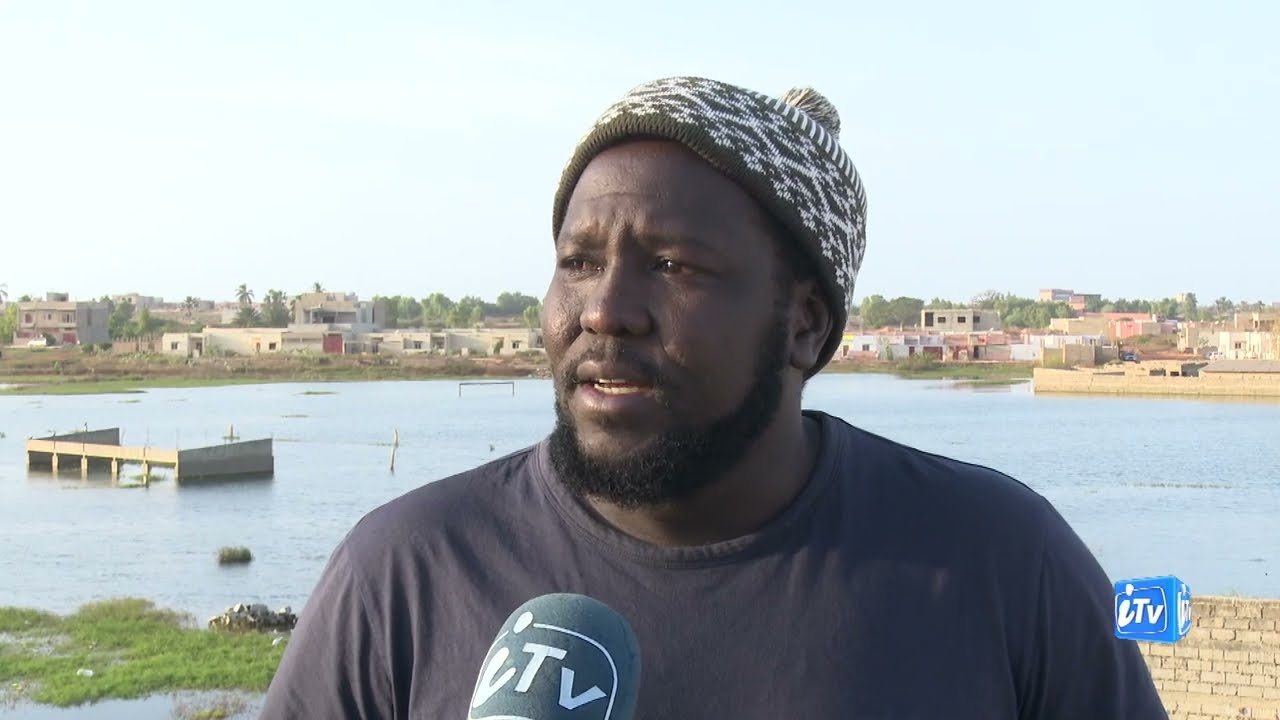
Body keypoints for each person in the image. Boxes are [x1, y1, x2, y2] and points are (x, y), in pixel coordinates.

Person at [260, 76, 1167, 719]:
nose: (604, 312)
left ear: (805, 326)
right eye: (578, 263)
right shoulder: (405, 572)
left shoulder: (1002, 564)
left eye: (673, 266)